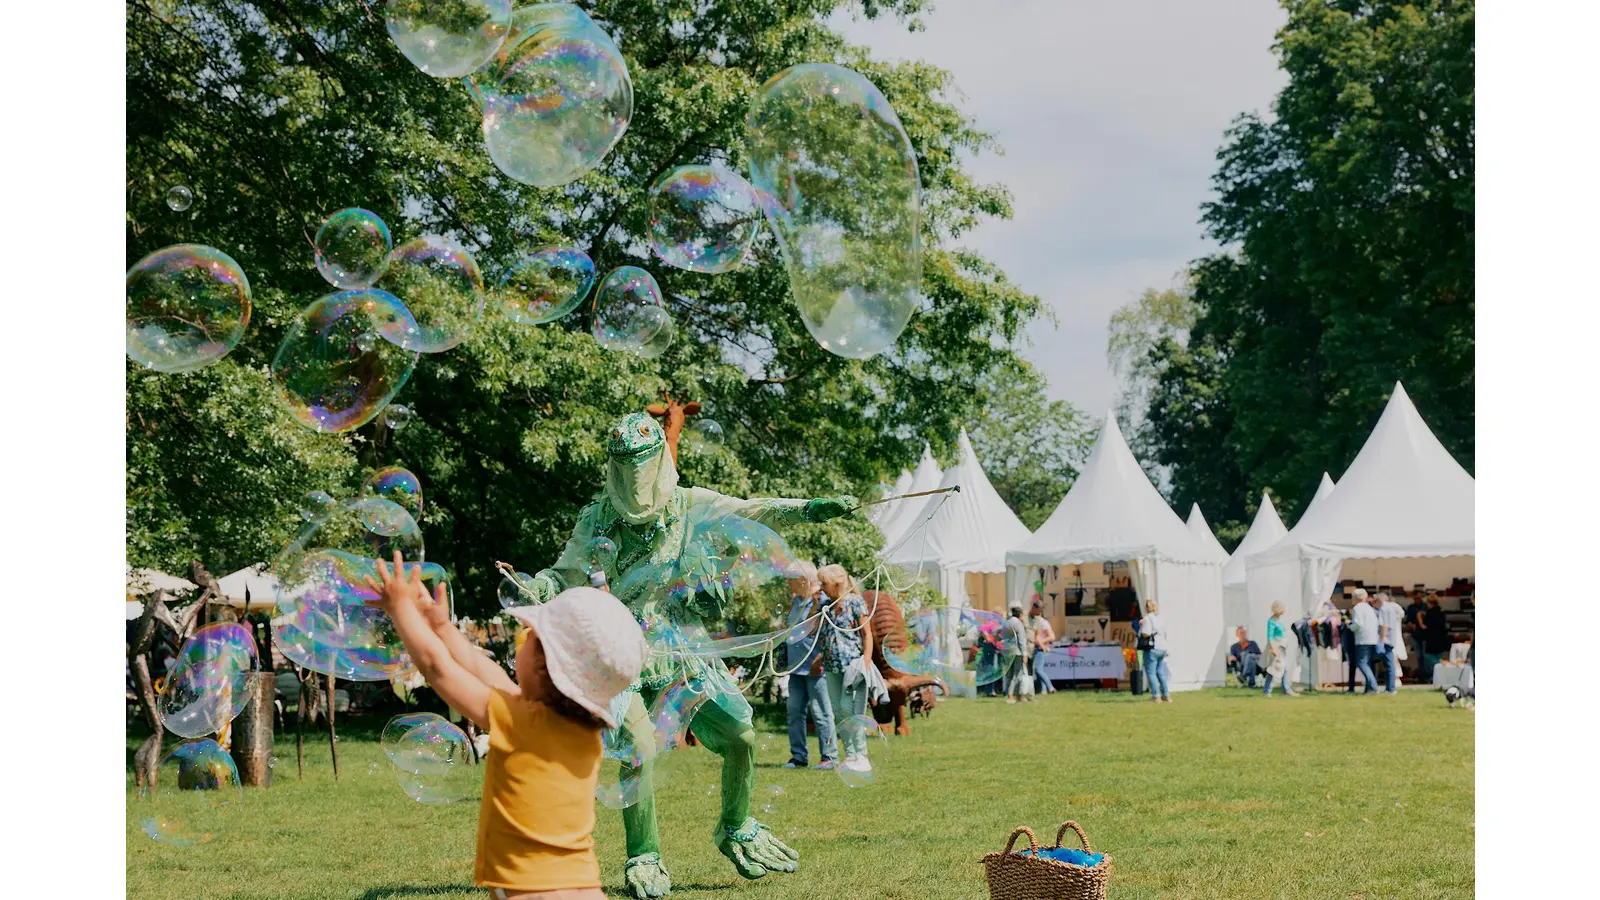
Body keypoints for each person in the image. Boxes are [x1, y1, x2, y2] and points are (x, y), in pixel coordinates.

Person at [516, 413, 850, 897]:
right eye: (625, 466)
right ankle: (643, 855)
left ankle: (736, 825)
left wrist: (808, 507)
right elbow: (565, 569)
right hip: (619, 647)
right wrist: (537, 585)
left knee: (741, 735)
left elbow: (753, 510)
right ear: (613, 468)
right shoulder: (596, 518)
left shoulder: (690, 505)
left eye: (644, 464)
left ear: (661, 461)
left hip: (679, 645)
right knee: (638, 745)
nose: (636, 479)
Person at [366, 554, 646, 900]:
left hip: (531, 891)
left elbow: (438, 669)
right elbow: (493, 678)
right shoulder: (577, 732)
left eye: (529, 637)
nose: (522, 639)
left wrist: (401, 609)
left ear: (545, 667)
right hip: (582, 887)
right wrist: (441, 627)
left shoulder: (520, 722)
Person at [817, 564, 876, 778]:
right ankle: (850, 756)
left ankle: (862, 756)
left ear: (836, 582)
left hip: (853, 664)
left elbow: (867, 633)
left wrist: (866, 660)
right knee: (838, 711)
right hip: (832, 664)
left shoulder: (855, 602)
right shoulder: (826, 606)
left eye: (824, 583)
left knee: (852, 710)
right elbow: (822, 635)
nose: (821, 587)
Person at [780, 562, 837, 771]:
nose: (788, 583)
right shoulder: (796, 601)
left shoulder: (822, 601)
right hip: (796, 667)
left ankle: (829, 757)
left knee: (822, 713)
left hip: (815, 667)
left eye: (791, 580)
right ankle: (798, 757)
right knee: (794, 712)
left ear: (802, 580)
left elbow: (831, 634)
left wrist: (821, 658)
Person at [1260, 603, 1297, 696]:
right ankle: (1267, 690)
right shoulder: (1271, 621)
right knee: (1273, 669)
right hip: (1276, 646)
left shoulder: (1278, 620)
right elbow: (1270, 636)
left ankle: (1286, 689)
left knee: (1284, 668)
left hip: (1281, 646)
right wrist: (1273, 648)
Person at [1349, 588, 1381, 694]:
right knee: (1367, 663)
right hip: (1373, 638)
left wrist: (1349, 626)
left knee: (1361, 663)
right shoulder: (1369, 608)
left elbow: (1358, 624)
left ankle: (1373, 686)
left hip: (1363, 639)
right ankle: (1369, 688)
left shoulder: (1357, 608)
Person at [1138, 600, 1171, 703]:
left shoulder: (1147, 619)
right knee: (1160, 672)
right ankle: (1166, 695)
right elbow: (1165, 634)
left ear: (1146, 608)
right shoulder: (1160, 618)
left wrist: (1140, 625)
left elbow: (1146, 634)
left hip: (1152, 648)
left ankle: (1156, 696)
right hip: (1162, 648)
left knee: (1151, 673)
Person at [1377, 592, 1404, 694]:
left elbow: (1384, 625)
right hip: (1394, 636)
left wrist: (1382, 640)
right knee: (1392, 662)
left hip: (1387, 637)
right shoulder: (1395, 609)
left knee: (1389, 663)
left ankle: (1391, 687)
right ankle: (1392, 685)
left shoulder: (1385, 608)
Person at [1421, 595, 1451, 682]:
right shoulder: (1441, 612)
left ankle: (1435, 673)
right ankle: (1440, 675)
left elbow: (1425, 626)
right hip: (1441, 638)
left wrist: (1419, 618)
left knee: (1430, 658)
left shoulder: (1430, 613)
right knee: (1438, 656)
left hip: (1431, 639)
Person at [1030, 603, 1057, 694]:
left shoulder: (1043, 622)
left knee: (1038, 670)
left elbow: (1052, 637)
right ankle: (1043, 690)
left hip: (1039, 649)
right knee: (1038, 670)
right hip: (1033, 648)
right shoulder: (1032, 621)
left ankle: (1050, 687)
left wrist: (1041, 642)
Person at [1403, 590, 1428, 672]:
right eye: (1416, 598)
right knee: (1418, 655)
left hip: (1425, 634)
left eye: (1419, 598)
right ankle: (1421, 672)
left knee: (1425, 655)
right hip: (1415, 634)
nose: (1417, 599)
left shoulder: (1426, 606)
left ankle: (1426, 672)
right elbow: (1407, 620)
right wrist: (1410, 624)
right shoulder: (1411, 607)